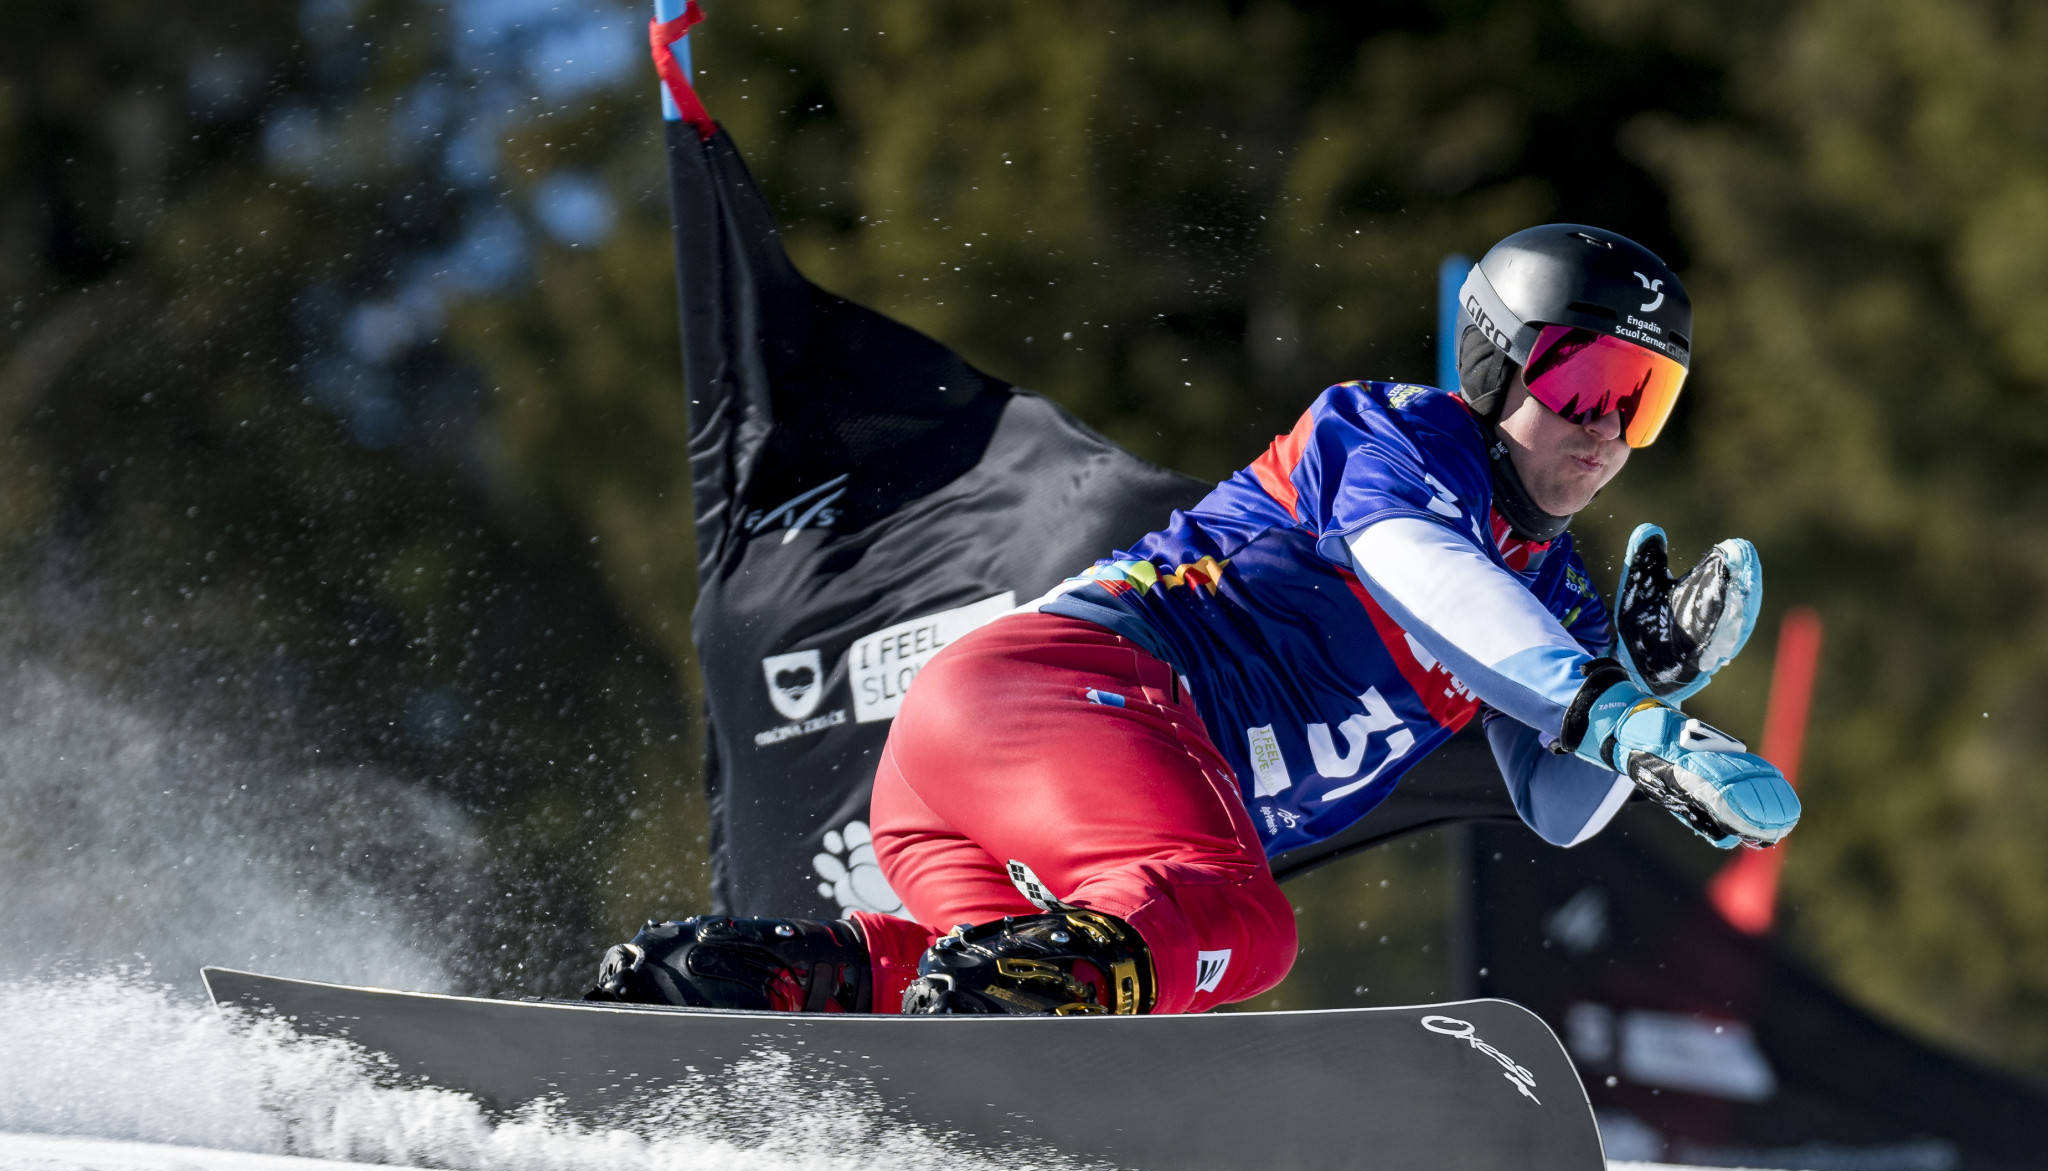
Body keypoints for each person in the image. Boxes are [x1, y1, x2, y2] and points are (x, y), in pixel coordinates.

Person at [588, 223, 1800, 1017]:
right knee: (1236, 927)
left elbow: (1551, 805)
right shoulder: (1394, 434)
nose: (1603, 432)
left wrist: (1645, 687)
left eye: (1642, 402)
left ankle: (748, 978)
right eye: (1583, 382)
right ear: (1493, 365)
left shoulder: (1550, 595)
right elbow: (1417, 566)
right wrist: (1618, 710)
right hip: (1051, 698)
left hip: (987, 800)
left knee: (990, 982)